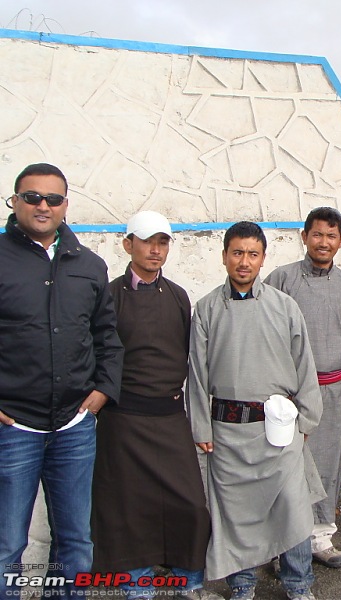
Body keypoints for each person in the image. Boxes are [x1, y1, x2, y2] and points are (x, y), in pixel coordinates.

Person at [0, 163, 123, 598]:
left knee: (75, 542)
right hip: (14, 426)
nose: (42, 205)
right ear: (14, 202)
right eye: (32, 196)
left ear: (65, 205)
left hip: (74, 427)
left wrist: (102, 391)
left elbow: (107, 337)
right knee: (6, 546)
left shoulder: (89, 266)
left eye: (52, 199)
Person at [187, 222, 324, 600]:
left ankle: (299, 584)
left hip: (277, 430)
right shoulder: (207, 308)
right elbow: (197, 375)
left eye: (252, 254)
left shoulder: (285, 307)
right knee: (236, 517)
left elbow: (304, 365)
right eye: (237, 253)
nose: (244, 262)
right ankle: (242, 584)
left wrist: (307, 418)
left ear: (263, 258)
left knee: (293, 509)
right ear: (224, 256)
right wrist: (202, 428)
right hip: (228, 433)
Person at [91, 211, 219, 599]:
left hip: (169, 416)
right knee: (128, 510)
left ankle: (188, 582)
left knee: (190, 504)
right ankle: (138, 586)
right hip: (122, 418)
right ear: (128, 244)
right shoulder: (108, 296)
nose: (155, 250)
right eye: (147, 241)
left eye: (163, 242)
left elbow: (189, 357)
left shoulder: (179, 297)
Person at [265, 207, 341, 568]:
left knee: (328, 463)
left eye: (331, 236)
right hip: (291, 393)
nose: (324, 242)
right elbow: (266, 336)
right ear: (304, 236)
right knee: (288, 467)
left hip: (337, 389)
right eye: (317, 234)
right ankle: (282, 545)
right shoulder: (281, 280)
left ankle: (320, 537)